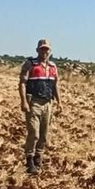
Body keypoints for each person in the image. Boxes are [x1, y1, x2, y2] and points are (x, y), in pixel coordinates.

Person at [19, 39, 62, 174]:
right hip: (34, 103)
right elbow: (22, 84)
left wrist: (59, 102)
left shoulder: (53, 67)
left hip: (48, 103)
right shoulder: (30, 64)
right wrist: (24, 101)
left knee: (44, 135)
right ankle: (29, 160)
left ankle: (38, 158)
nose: (45, 52)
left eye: (47, 49)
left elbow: (55, 85)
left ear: (50, 51)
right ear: (37, 50)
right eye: (42, 49)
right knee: (34, 133)